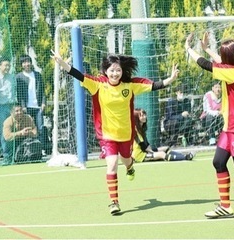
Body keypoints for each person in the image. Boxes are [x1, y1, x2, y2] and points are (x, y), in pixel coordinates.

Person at [51, 50, 179, 215]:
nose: (115, 73)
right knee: (111, 165)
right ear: (106, 71)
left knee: (126, 160)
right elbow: (77, 74)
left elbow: (153, 86)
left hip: (126, 134)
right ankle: (114, 202)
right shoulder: (97, 84)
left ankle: (130, 167)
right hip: (107, 136)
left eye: (118, 70)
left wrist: (171, 79)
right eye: (112, 70)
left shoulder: (130, 85)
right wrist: (61, 62)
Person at [185, 31, 234, 219]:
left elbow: (206, 65)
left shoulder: (230, 72)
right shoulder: (229, 68)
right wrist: (206, 48)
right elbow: (219, 62)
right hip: (227, 129)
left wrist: (190, 49)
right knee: (218, 162)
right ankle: (226, 206)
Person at [16, 54, 46, 155]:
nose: (27, 64)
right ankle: (27, 150)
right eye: (24, 62)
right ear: (22, 65)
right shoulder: (19, 77)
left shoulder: (37, 75)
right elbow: (19, 93)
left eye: (28, 61)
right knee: (27, 129)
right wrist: (23, 106)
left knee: (40, 127)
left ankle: (41, 149)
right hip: (27, 108)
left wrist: (43, 103)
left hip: (37, 107)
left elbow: (42, 90)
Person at [0, 57, 16, 157]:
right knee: (2, 130)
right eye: (5, 65)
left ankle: (15, 153)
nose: (7, 67)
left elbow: (16, 91)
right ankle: (6, 154)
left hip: (12, 106)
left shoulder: (12, 77)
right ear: (0, 66)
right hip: (0, 107)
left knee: (14, 128)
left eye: (8, 65)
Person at [200, 80, 223, 145]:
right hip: (206, 119)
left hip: (219, 118)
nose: (218, 89)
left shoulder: (222, 97)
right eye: (216, 87)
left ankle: (222, 137)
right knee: (210, 116)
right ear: (212, 88)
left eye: (219, 87)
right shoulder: (208, 96)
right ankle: (212, 139)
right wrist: (218, 113)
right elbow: (207, 110)